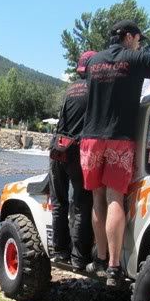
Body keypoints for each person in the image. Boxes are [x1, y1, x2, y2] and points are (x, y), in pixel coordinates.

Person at [80, 20, 150, 286]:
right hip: (120, 138)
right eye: (139, 39)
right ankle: (115, 269)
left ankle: (101, 260)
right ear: (129, 37)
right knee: (115, 197)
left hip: (91, 138)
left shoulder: (93, 62)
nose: (140, 44)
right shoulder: (136, 58)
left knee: (97, 199)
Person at [49, 51, 96, 270]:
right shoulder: (95, 90)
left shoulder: (71, 89)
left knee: (59, 202)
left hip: (57, 149)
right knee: (81, 204)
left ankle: (60, 252)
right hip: (78, 151)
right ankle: (79, 257)